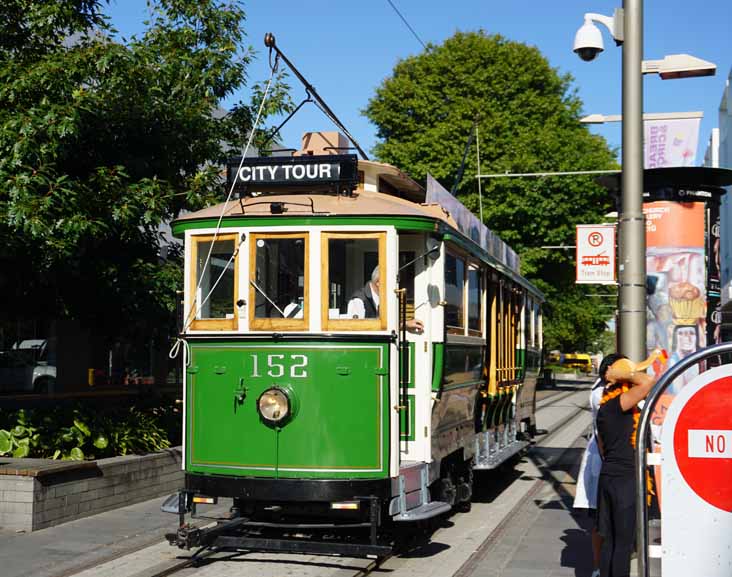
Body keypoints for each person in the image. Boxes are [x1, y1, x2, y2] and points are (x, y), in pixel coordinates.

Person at [595, 353, 657, 577]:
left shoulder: (604, 408)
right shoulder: (618, 404)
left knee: (611, 541)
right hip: (625, 481)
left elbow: (602, 448)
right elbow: (648, 382)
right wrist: (624, 373)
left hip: (609, 477)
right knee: (623, 544)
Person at [573, 376, 605, 577]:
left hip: (611, 464)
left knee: (601, 519)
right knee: (599, 519)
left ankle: (599, 566)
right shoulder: (600, 393)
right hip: (605, 463)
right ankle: (597, 567)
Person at [347, 266, 424, 333]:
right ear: (378, 282)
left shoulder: (383, 299)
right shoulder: (359, 301)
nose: (396, 287)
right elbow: (357, 330)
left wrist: (405, 324)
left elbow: (386, 326)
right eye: (393, 282)